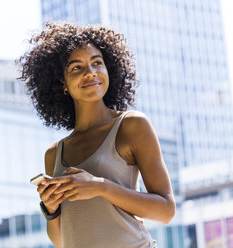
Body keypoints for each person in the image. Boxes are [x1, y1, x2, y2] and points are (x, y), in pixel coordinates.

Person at [18, 22, 175, 248]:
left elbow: (166, 211)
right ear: (62, 82)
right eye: (76, 68)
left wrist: (100, 186)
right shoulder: (55, 154)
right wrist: (51, 210)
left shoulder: (131, 126)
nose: (90, 73)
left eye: (97, 63)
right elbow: (62, 241)